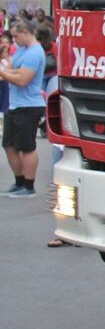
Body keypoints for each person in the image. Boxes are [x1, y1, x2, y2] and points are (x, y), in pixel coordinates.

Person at [1, 20, 46, 198]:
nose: (14, 40)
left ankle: (29, 185)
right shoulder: (22, 50)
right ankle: (19, 182)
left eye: (15, 36)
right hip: (15, 104)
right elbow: (14, 71)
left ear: (26, 32)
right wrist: (6, 72)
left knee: (27, 147)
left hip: (30, 105)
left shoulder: (35, 53)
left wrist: (3, 73)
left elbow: (22, 79)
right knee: (9, 145)